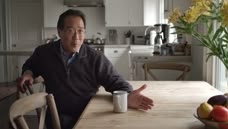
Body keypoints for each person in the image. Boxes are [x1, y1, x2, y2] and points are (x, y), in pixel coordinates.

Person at [17, 9, 154, 129]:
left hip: (88, 113)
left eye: (80, 31)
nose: (76, 37)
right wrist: (28, 73)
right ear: (60, 32)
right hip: (58, 115)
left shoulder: (94, 58)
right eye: (70, 30)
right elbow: (30, 65)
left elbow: (116, 82)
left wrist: (128, 95)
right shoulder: (44, 52)